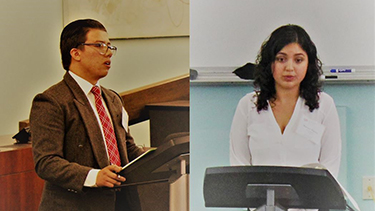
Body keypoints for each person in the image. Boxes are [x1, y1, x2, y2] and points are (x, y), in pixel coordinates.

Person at [30, 19, 145, 211]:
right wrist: (94, 176)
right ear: (75, 53)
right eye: (99, 46)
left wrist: (163, 158)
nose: (108, 53)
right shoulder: (51, 101)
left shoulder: (113, 99)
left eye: (109, 46)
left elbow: (127, 148)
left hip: (122, 203)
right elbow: (46, 162)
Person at [229, 24, 342, 179]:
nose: (290, 68)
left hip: (310, 201)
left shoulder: (324, 105)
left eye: (298, 60)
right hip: (260, 201)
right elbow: (238, 165)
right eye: (281, 59)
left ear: (308, 64)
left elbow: (330, 166)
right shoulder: (248, 105)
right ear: (270, 63)